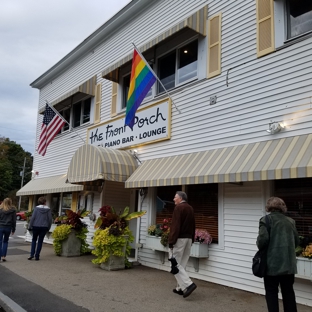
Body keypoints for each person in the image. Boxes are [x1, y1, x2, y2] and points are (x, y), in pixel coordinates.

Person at [256, 197, 299, 312]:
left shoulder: (265, 220)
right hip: (288, 265)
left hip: (271, 265)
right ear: (282, 207)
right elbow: (296, 241)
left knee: (271, 293)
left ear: (269, 207)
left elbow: (262, 241)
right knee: (288, 293)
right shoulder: (291, 221)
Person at [168, 191, 196, 298]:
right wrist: (192, 239)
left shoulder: (178, 208)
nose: (174, 199)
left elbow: (175, 226)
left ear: (180, 198)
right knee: (182, 264)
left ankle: (188, 284)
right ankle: (180, 288)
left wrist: (171, 241)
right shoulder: (190, 208)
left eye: (175, 197)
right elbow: (193, 225)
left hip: (180, 239)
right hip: (188, 239)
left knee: (174, 263)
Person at [28, 196, 52, 260]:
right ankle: (37, 255)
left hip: (36, 226)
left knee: (34, 240)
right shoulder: (48, 210)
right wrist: (48, 227)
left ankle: (31, 254)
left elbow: (33, 218)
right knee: (40, 241)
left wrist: (30, 226)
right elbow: (50, 219)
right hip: (44, 226)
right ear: (45, 202)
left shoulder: (36, 208)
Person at [0, 198, 16, 262]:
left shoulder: (0, 209)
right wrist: (13, 229)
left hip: (0, 226)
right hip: (8, 227)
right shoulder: (13, 210)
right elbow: (14, 220)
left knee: (0, 242)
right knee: (5, 241)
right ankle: (4, 256)